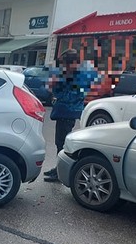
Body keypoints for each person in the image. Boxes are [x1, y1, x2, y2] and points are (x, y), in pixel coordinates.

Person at [43, 49, 100, 182]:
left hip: (67, 112)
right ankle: (58, 169)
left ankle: (60, 172)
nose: (62, 67)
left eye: (64, 64)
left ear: (72, 63)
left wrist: (56, 92)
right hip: (65, 111)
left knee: (62, 143)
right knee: (60, 143)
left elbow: (73, 96)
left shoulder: (79, 77)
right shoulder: (73, 75)